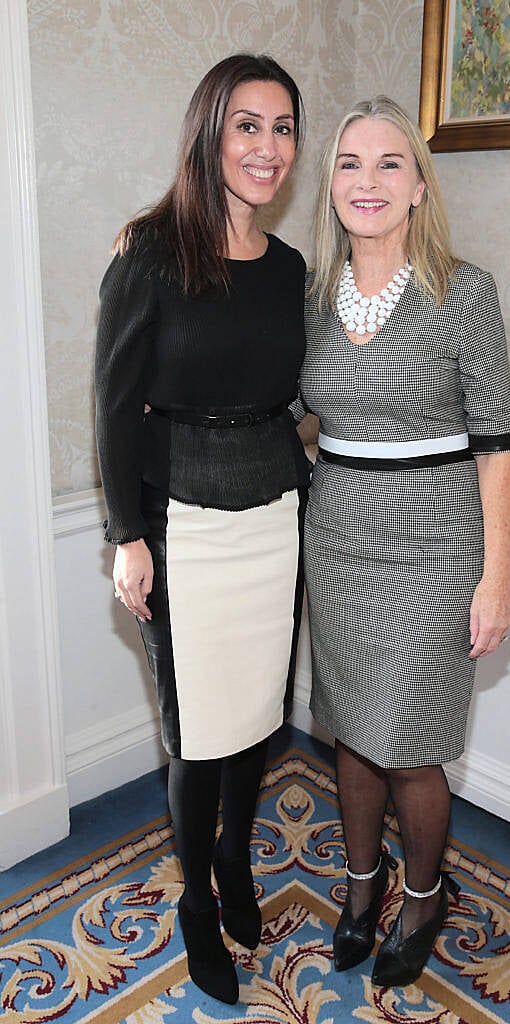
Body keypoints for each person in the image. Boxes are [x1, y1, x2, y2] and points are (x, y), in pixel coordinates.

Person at [94, 54, 310, 1006]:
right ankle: (194, 902)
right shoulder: (149, 252)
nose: (268, 148)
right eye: (248, 126)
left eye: (284, 127)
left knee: (255, 722)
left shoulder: (291, 267)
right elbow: (112, 406)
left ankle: (234, 862)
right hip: (179, 523)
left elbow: (299, 392)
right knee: (196, 736)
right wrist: (125, 535)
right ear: (210, 132)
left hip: (274, 515)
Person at [296, 96, 510, 988]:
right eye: (351, 162)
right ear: (333, 184)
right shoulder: (311, 296)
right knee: (351, 734)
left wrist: (495, 576)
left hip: (436, 544)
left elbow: (498, 445)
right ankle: (362, 886)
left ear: (419, 186)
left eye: (390, 163)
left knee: (411, 744)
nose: (369, 180)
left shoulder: (464, 293)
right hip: (339, 537)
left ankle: (423, 894)